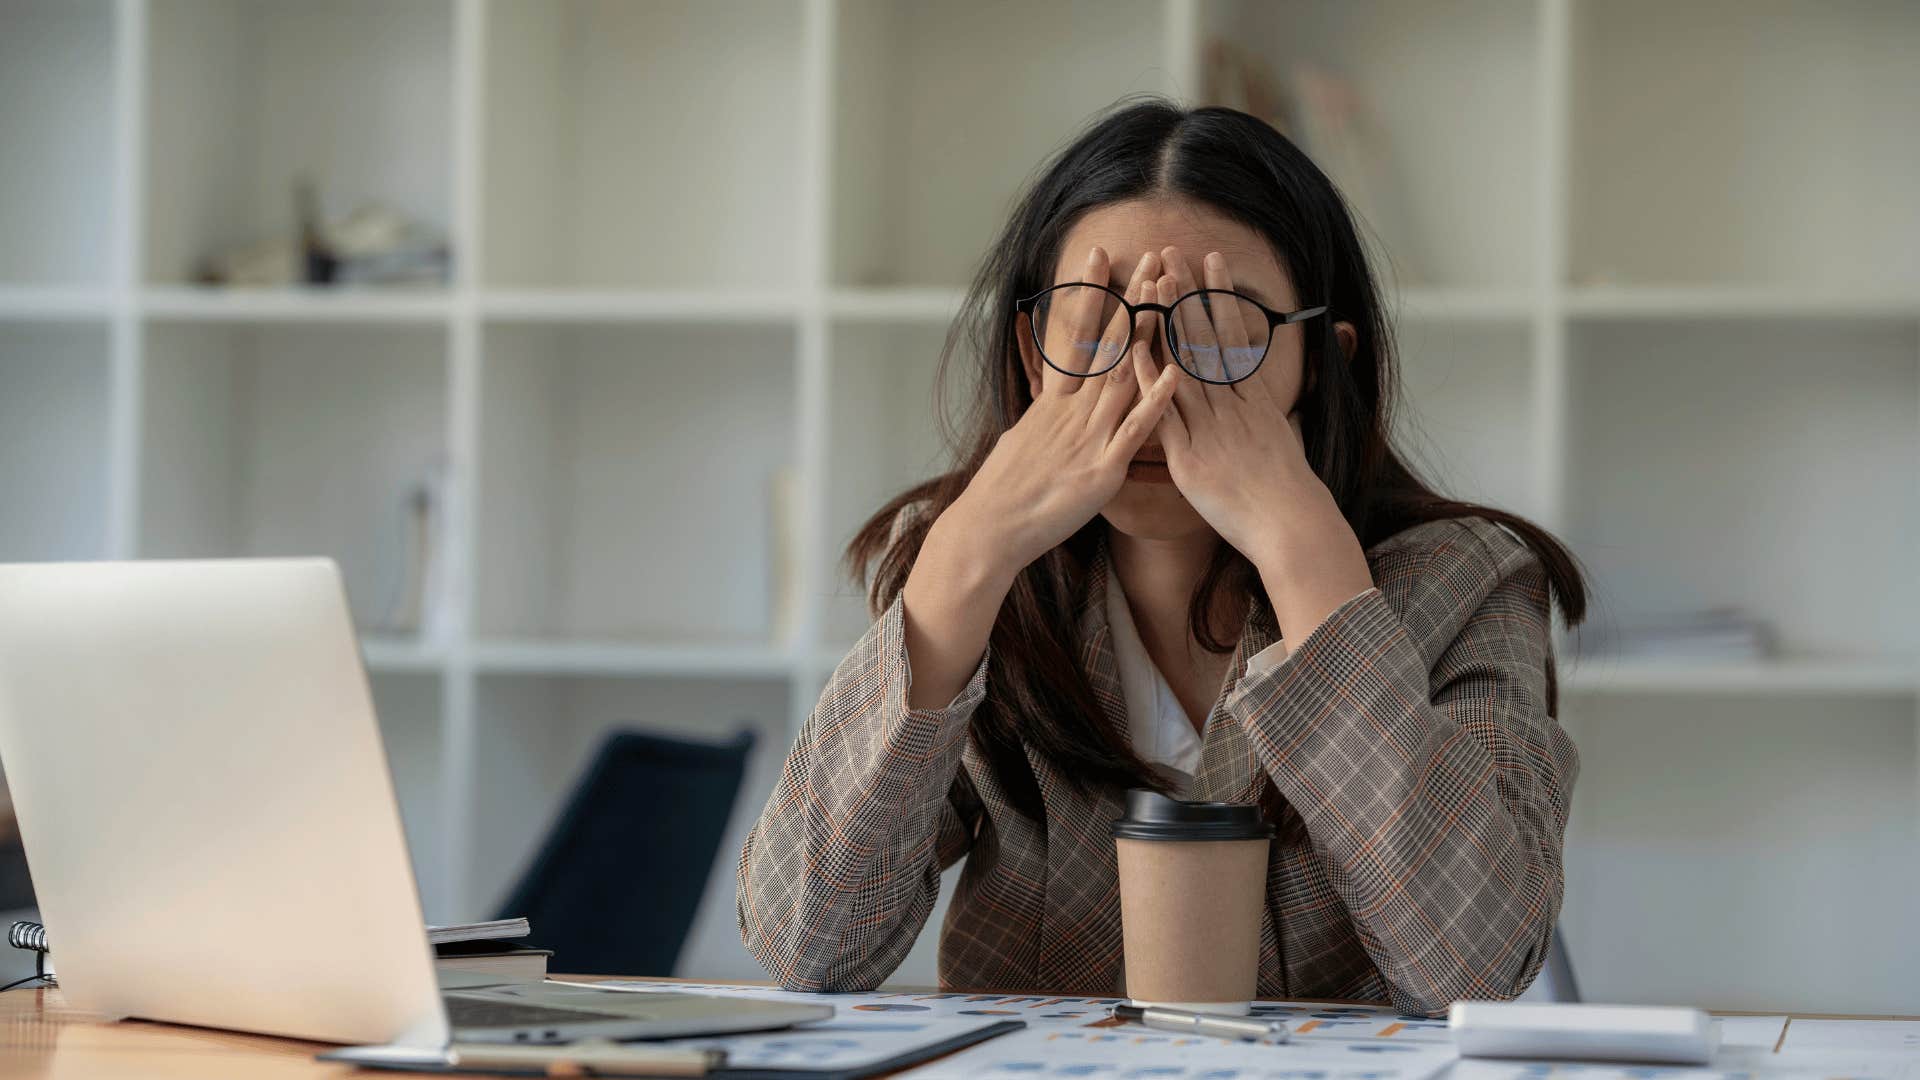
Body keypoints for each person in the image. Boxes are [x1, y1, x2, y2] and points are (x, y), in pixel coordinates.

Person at [736, 98, 1586, 1018]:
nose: (1150, 382)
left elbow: (1476, 969)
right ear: (1031, 354)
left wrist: (1310, 563)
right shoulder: (970, 575)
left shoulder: (1470, 581)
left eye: (1218, 329)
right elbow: (804, 946)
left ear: (1322, 363)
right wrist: (965, 557)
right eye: (1097, 323)